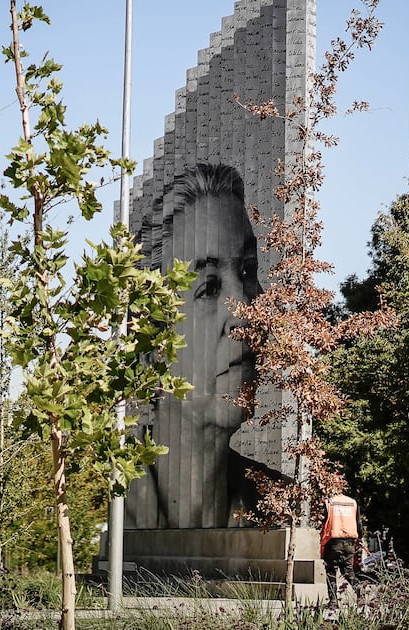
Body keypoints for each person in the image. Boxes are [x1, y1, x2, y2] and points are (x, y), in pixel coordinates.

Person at [129, 162, 268, 529]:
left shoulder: (275, 504)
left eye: (248, 271)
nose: (244, 313)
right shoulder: (117, 496)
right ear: (152, 343)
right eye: (209, 287)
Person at [320, 489, 363, 608]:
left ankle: (333, 601)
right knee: (348, 571)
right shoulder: (352, 503)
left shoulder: (329, 502)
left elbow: (323, 521)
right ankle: (359, 592)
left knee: (331, 571)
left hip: (333, 542)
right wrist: (360, 538)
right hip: (349, 542)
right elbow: (358, 522)